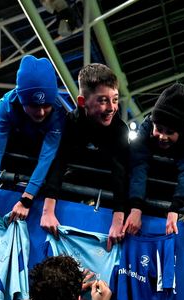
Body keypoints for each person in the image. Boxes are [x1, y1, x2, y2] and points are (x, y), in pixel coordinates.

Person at [40, 63, 130, 250]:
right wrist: (48, 211)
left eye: (115, 99)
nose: (111, 108)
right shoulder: (69, 124)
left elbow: (120, 174)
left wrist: (118, 220)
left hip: (104, 195)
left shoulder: (120, 130)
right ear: (82, 102)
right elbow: (58, 164)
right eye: (103, 100)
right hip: (72, 188)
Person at [0, 55, 66, 224]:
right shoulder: (7, 106)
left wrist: (26, 200)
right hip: (15, 142)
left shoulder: (58, 112)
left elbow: (46, 158)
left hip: (36, 149)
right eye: (34, 106)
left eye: (46, 105)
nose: (41, 112)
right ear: (21, 99)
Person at [127, 82, 184, 235]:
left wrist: (175, 209)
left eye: (170, 132)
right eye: (159, 129)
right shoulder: (145, 130)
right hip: (143, 193)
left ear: (180, 133)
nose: (163, 137)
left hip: (170, 198)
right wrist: (136, 207)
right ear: (153, 123)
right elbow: (138, 165)